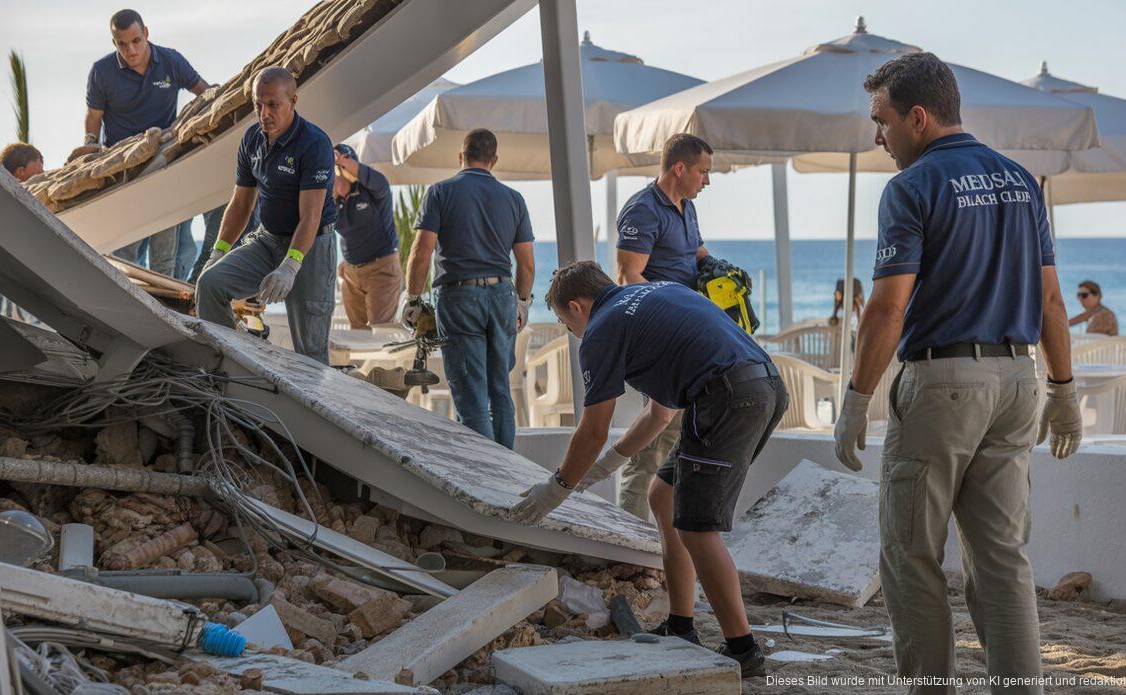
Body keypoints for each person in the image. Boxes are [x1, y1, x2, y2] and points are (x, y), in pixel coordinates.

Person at [833, 53, 1082, 695]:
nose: (878, 137)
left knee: (911, 553)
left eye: (881, 122)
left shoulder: (912, 187)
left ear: (917, 117)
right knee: (1002, 558)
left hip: (944, 384)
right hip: (1017, 381)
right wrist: (1064, 389)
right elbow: (1052, 301)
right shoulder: (1022, 181)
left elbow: (887, 308)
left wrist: (856, 399)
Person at [510, 261, 788, 679]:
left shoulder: (603, 328)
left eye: (568, 325)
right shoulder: (652, 296)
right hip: (762, 385)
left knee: (697, 527)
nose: (573, 334)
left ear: (576, 306)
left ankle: (743, 650)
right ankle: (681, 625)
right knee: (663, 494)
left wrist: (558, 487)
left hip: (726, 399)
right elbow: (659, 414)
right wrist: (605, 468)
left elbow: (593, 428)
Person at [401, 128, 534, 449]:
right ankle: (509, 473)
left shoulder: (440, 193)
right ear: (494, 159)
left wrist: (413, 299)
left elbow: (421, 254)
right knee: (500, 390)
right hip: (502, 295)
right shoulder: (514, 199)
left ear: (461, 157)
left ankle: (487, 481)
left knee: (471, 394)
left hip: (459, 297)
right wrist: (522, 302)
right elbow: (527, 264)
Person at [195, 67, 338, 364]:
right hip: (267, 239)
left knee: (310, 351)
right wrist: (218, 252)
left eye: (273, 104)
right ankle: (229, 369)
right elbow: (240, 204)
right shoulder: (252, 140)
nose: (264, 113)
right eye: (258, 104)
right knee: (210, 284)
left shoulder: (314, 143)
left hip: (310, 247)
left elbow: (310, 217)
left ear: (293, 101)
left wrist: (290, 266)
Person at [611, 133, 714, 521]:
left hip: (688, 336)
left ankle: (662, 537)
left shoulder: (686, 207)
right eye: (703, 172)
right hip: (660, 337)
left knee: (678, 439)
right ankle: (628, 534)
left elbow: (697, 254)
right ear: (679, 168)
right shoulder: (643, 210)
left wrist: (720, 270)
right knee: (652, 441)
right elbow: (627, 277)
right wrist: (679, 306)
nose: (707, 181)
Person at [86, 9, 206, 279]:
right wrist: (90, 148)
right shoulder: (102, 71)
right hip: (123, 168)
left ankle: (167, 307)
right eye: (122, 44)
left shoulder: (171, 61)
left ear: (146, 34)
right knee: (126, 248)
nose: (131, 50)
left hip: (164, 163)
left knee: (167, 248)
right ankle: (123, 299)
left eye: (136, 40)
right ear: (113, 42)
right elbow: (93, 118)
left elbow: (205, 93)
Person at [332, 143, 403, 329]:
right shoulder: (331, 201)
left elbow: (378, 180)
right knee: (358, 332)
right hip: (351, 273)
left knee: (379, 330)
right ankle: (356, 361)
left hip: (381, 269)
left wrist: (340, 160)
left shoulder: (372, 189)